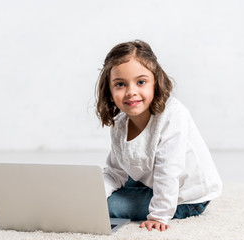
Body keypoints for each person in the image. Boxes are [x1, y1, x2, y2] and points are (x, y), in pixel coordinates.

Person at [95, 40, 222, 232]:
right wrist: (93, 196)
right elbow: (115, 172)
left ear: (156, 82)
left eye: (141, 82)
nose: (131, 92)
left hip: (188, 195)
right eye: (120, 84)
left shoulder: (172, 116)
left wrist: (159, 215)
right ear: (110, 92)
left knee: (109, 207)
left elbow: (169, 172)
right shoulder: (121, 122)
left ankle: (161, 204)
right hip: (153, 178)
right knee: (96, 198)